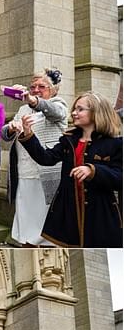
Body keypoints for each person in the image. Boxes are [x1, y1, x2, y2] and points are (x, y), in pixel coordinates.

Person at [18, 91, 122, 247]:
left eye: (80, 109)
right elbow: (46, 158)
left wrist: (93, 170)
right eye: (75, 109)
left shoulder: (115, 143)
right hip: (69, 209)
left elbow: (119, 177)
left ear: (96, 113)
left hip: (100, 213)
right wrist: (28, 134)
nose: (74, 113)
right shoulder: (69, 139)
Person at [1, 68, 68, 246]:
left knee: (46, 217)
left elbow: (55, 112)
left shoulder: (58, 104)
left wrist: (34, 101)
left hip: (47, 171)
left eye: (42, 86)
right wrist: (11, 128)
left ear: (53, 89)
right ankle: (26, 244)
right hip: (24, 171)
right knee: (26, 214)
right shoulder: (23, 108)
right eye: (32, 87)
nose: (36, 89)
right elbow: (4, 134)